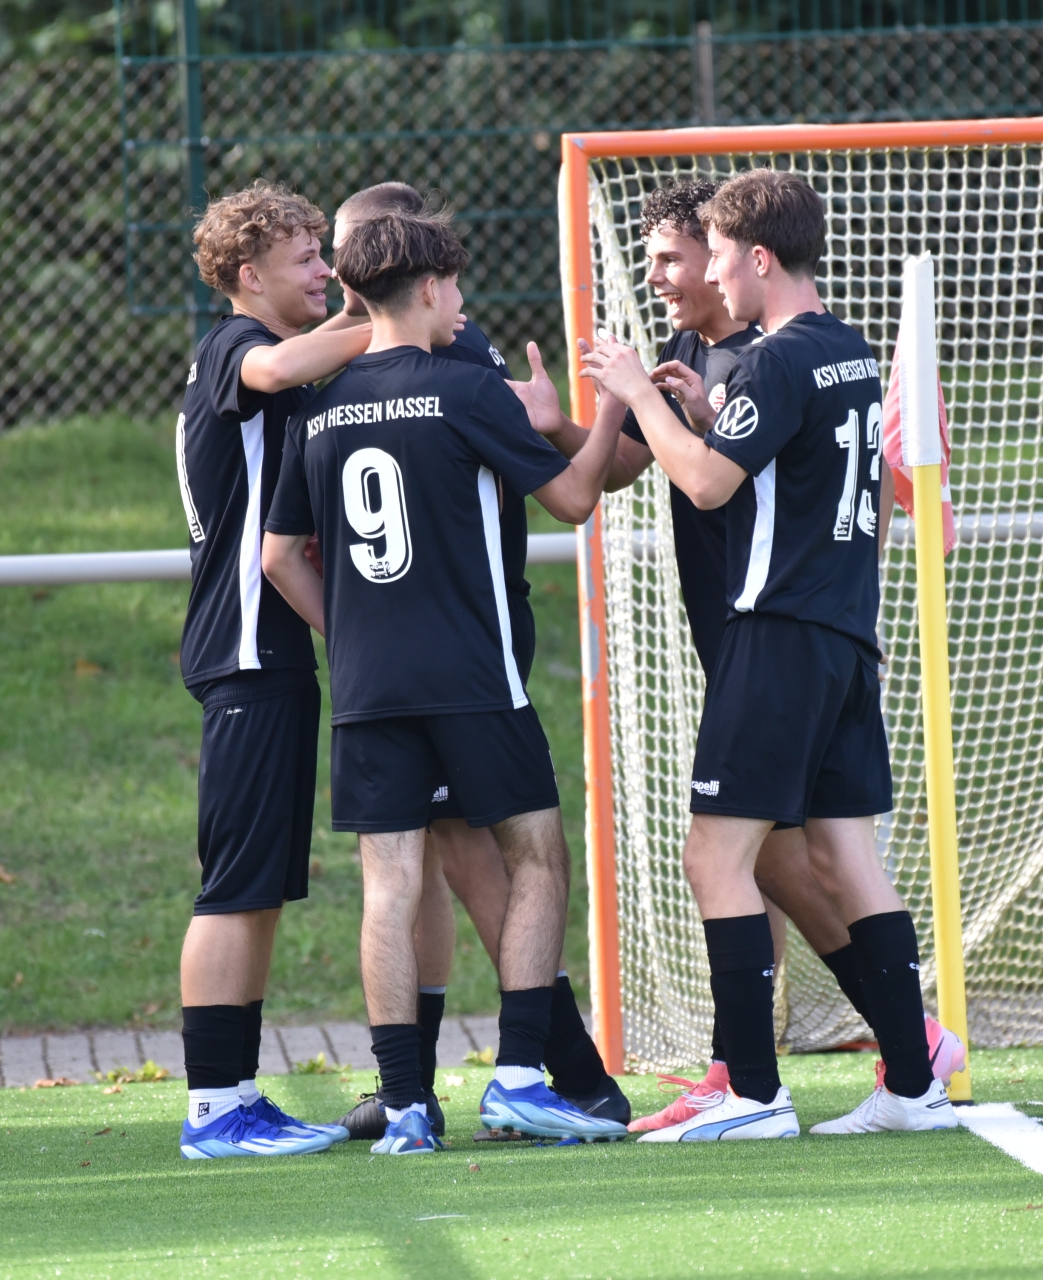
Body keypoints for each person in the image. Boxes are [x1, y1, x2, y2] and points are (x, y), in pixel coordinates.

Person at [516, 177, 963, 1132]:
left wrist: (638, 395)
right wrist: (688, 413)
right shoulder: (848, 350)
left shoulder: (776, 358)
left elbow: (709, 487)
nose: (712, 273)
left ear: (759, 259)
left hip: (774, 631)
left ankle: (750, 1090)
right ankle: (913, 1085)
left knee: (715, 855)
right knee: (847, 857)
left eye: (716, 255)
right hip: (845, 634)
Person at [262, 208, 628, 1154]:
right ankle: (519, 1078)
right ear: (428, 289)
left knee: (388, 885)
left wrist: (353, 635)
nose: (460, 301)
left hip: (369, 689)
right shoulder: (465, 387)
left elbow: (279, 558)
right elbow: (575, 498)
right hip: (474, 676)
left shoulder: (319, 406)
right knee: (537, 858)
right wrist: (610, 410)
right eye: (455, 284)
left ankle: (405, 1105)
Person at [173, 180, 371, 1160]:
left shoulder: (282, 363)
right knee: (233, 887)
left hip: (274, 658)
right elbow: (286, 361)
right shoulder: (234, 348)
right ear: (248, 275)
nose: (326, 272)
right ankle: (214, 1107)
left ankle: (239, 1094)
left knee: (258, 890)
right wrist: (383, 321)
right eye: (307, 258)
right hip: (246, 653)